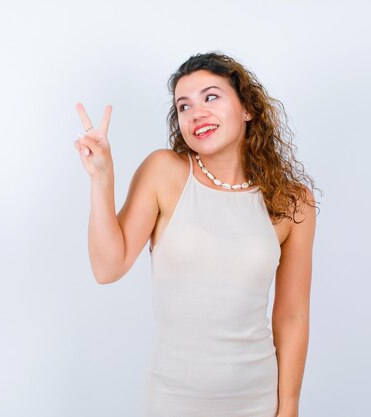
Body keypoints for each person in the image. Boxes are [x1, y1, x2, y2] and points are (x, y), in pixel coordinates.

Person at [73, 51, 319, 417]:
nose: (196, 113)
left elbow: (292, 315)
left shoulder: (293, 201)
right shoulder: (165, 172)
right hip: (173, 400)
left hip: (256, 400)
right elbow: (107, 268)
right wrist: (101, 179)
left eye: (211, 97)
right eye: (183, 106)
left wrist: (289, 407)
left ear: (248, 108)